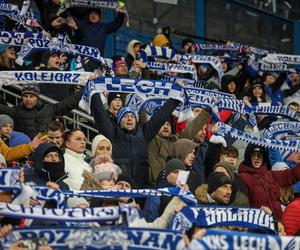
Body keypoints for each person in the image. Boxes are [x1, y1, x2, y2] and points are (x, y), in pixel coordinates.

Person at [91, 86, 181, 186]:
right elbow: (100, 114)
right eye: (125, 116)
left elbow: (161, 115)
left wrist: (176, 96)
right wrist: (94, 90)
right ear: (119, 121)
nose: (129, 119)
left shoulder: (144, 132)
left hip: (141, 187)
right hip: (120, 187)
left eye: (133, 116)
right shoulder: (112, 133)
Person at [148, 109, 210, 186]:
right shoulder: (151, 139)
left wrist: (206, 112)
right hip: (159, 185)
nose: (165, 126)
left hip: (177, 183)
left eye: (168, 124)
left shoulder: (176, 139)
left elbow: (192, 129)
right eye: (162, 124)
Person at [238, 144, 300, 219]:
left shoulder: (269, 174)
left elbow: (291, 174)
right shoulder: (243, 177)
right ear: (248, 157)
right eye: (253, 155)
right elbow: (241, 205)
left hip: (276, 224)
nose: (256, 158)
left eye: (259, 155)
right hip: (258, 224)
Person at [0, 83, 83, 139]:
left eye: (31, 96)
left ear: (37, 97)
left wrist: (84, 91)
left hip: (44, 149)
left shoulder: (48, 109)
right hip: (23, 150)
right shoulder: (15, 111)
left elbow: (68, 104)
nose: (28, 99)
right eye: (25, 96)